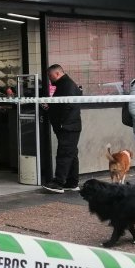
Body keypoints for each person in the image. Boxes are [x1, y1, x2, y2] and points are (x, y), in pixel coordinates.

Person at [42, 64, 82, 193]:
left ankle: (58, 183)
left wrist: (61, 123)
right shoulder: (65, 85)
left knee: (64, 154)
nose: (49, 78)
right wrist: (50, 108)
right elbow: (62, 106)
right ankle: (72, 182)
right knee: (71, 154)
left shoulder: (67, 85)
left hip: (67, 127)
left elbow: (67, 107)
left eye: (50, 75)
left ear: (58, 74)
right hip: (70, 126)